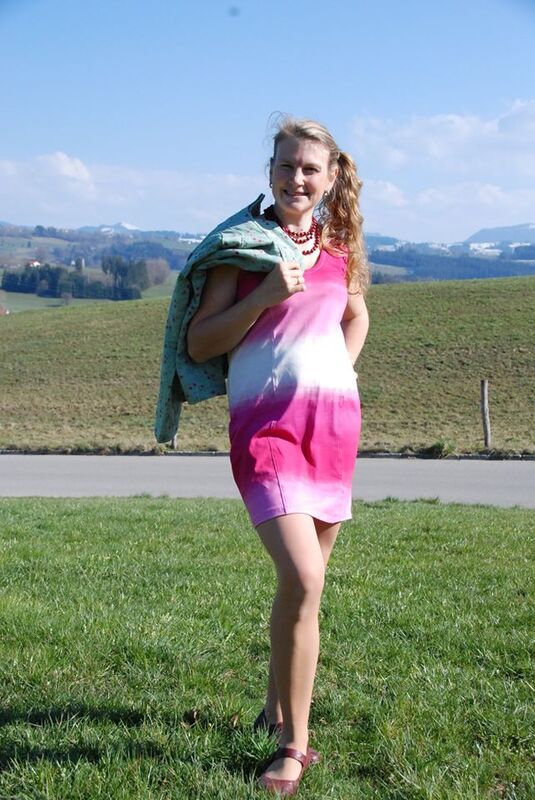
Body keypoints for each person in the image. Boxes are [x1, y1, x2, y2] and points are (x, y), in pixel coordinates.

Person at [186, 115, 370, 795]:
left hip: (332, 430)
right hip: (266, 431)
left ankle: (273, 710)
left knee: (300, 589)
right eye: (285, 165)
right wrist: (263, 295)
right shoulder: (240, 249)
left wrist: (338, 372)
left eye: (309, 168)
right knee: (304, 578)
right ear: (269, 171)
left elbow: (356, 316)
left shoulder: (339, 247)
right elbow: (201, 341)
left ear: (330, 178)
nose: (296, 178)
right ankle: (295, 748)